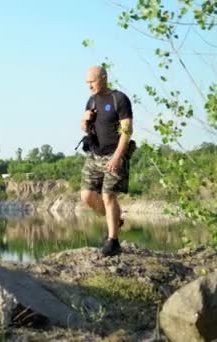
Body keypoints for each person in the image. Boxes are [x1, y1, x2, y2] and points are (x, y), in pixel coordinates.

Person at [80, 66, 134, 257]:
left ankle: (113, 242)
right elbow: (83, 127)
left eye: (92, 82)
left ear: (104, 78)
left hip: (114, 155)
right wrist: (84, 120)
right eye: (87, 83)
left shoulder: (119, 99)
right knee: (86, 196)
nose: (89, 86)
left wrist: (118, 157)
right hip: (94, 155)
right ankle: (115, 220)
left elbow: (127, 131)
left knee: (108, 196)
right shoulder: (92, 100)